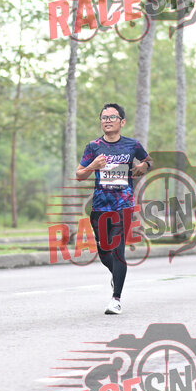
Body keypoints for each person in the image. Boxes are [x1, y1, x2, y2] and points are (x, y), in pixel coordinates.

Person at [76, 103, 152, 315]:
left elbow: (148, 161)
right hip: (100, 207)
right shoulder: (93, 147)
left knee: (118, 251)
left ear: (122, 122)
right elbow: (79, 175)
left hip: (123, 206)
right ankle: (117, 275)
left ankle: (116, 299)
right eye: (104, 118)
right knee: (103, 251)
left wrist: (143, 166)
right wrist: (93, 166)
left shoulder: (132, 145)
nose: (107, 121)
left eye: (112, 117)